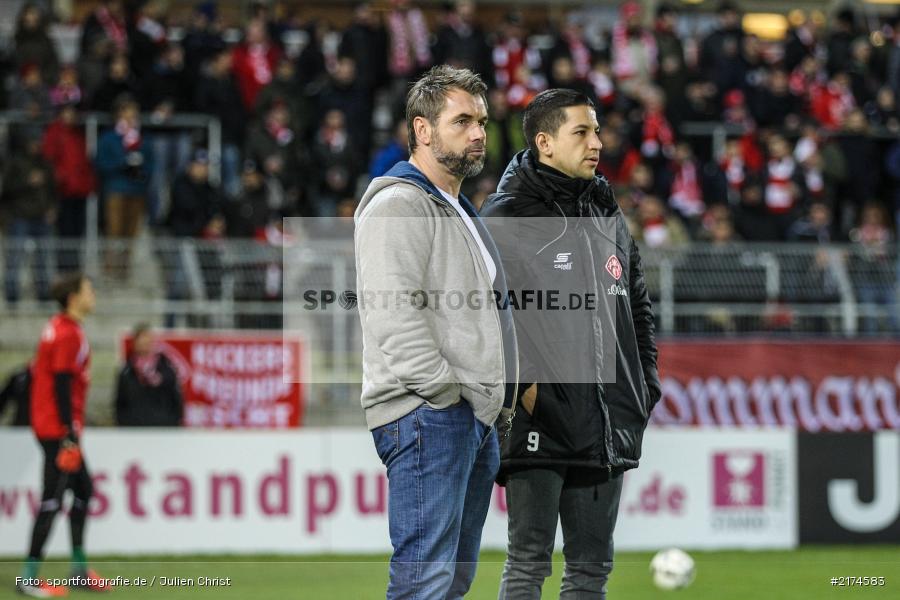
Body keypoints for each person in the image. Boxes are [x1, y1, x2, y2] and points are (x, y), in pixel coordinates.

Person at [480, 89, 661, 599]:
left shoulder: (604, 208)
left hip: (605, 418)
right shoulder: (506, 217)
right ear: (545, 142)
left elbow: (638, 306)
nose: (597, 143)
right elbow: (485, 321)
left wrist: (644, 383)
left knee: (589, 572)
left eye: (597, 131)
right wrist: (527, 393)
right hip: (538, 422)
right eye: (581, 132)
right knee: (528, 565)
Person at [354, 65, 517, 599]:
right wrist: (446, 395)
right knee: (425, 583)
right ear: (422, 130)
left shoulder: (456, 207)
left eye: (483, 122)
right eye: (463, 121)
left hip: (466, 418)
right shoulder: (399, 203)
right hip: (431, 414)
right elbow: (393, 316)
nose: (478, 134)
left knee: (449, 583)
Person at [17, 272, 110, 597]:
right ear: (74, 297)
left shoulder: (58, 328)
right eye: (88, 290)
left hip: (53, 426)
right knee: (53, 499)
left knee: (83, 490)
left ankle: (79, 569)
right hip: (58, 429)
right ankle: (28, 576)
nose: (93, 294)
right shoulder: (68, 333)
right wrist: (70, 431)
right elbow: (60, 383)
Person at [115, 324, 183, 426]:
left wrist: (171, 421)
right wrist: (125, 422)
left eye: (147, 339)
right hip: (134, 429)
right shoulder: (127, 371)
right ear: (135, 343)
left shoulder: (166, 368)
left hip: (163, 428)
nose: (144, 343)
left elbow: (176, 398)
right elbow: (120, 402)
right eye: (140, 340)